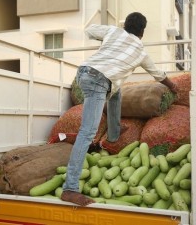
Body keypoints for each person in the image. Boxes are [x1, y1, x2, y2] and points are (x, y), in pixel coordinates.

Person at [61, 12, 178, 206]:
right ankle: (70, 188)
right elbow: (158, 75)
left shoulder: (114, 32)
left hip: (84, 71)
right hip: (98, 81)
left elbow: (90, 30)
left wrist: (106, 37)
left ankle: (114, 132)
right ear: (142, 32)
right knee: (87, 133)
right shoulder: (140, 51)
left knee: (116, 91)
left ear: (126, 26)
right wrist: (173, 87)